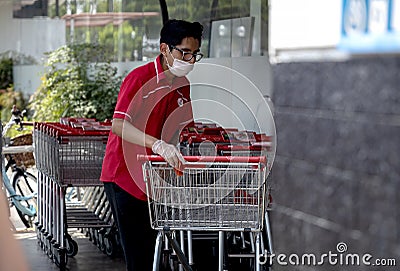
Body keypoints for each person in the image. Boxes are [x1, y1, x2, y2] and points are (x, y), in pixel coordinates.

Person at [100, 19, 204, 270]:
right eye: (184, 52)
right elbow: (118, 125)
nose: (189, 60)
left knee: (155, 253)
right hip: (122, 176)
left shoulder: (183, 86)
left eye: (195, 54)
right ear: (164, 49)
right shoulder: (139, 79)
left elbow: (180, 129)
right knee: (139, 256)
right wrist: (156, 145)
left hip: (153, 179)